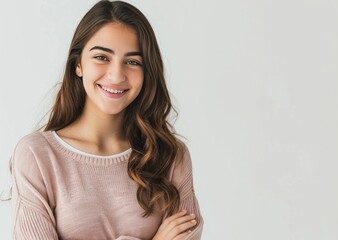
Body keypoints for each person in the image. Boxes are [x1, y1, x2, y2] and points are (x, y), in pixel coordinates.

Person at [10, 1, 203, 239]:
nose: (116, 75)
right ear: (78, 64)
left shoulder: (170, 156)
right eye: (102, 57)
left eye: (132, 62)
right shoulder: (37, 157)